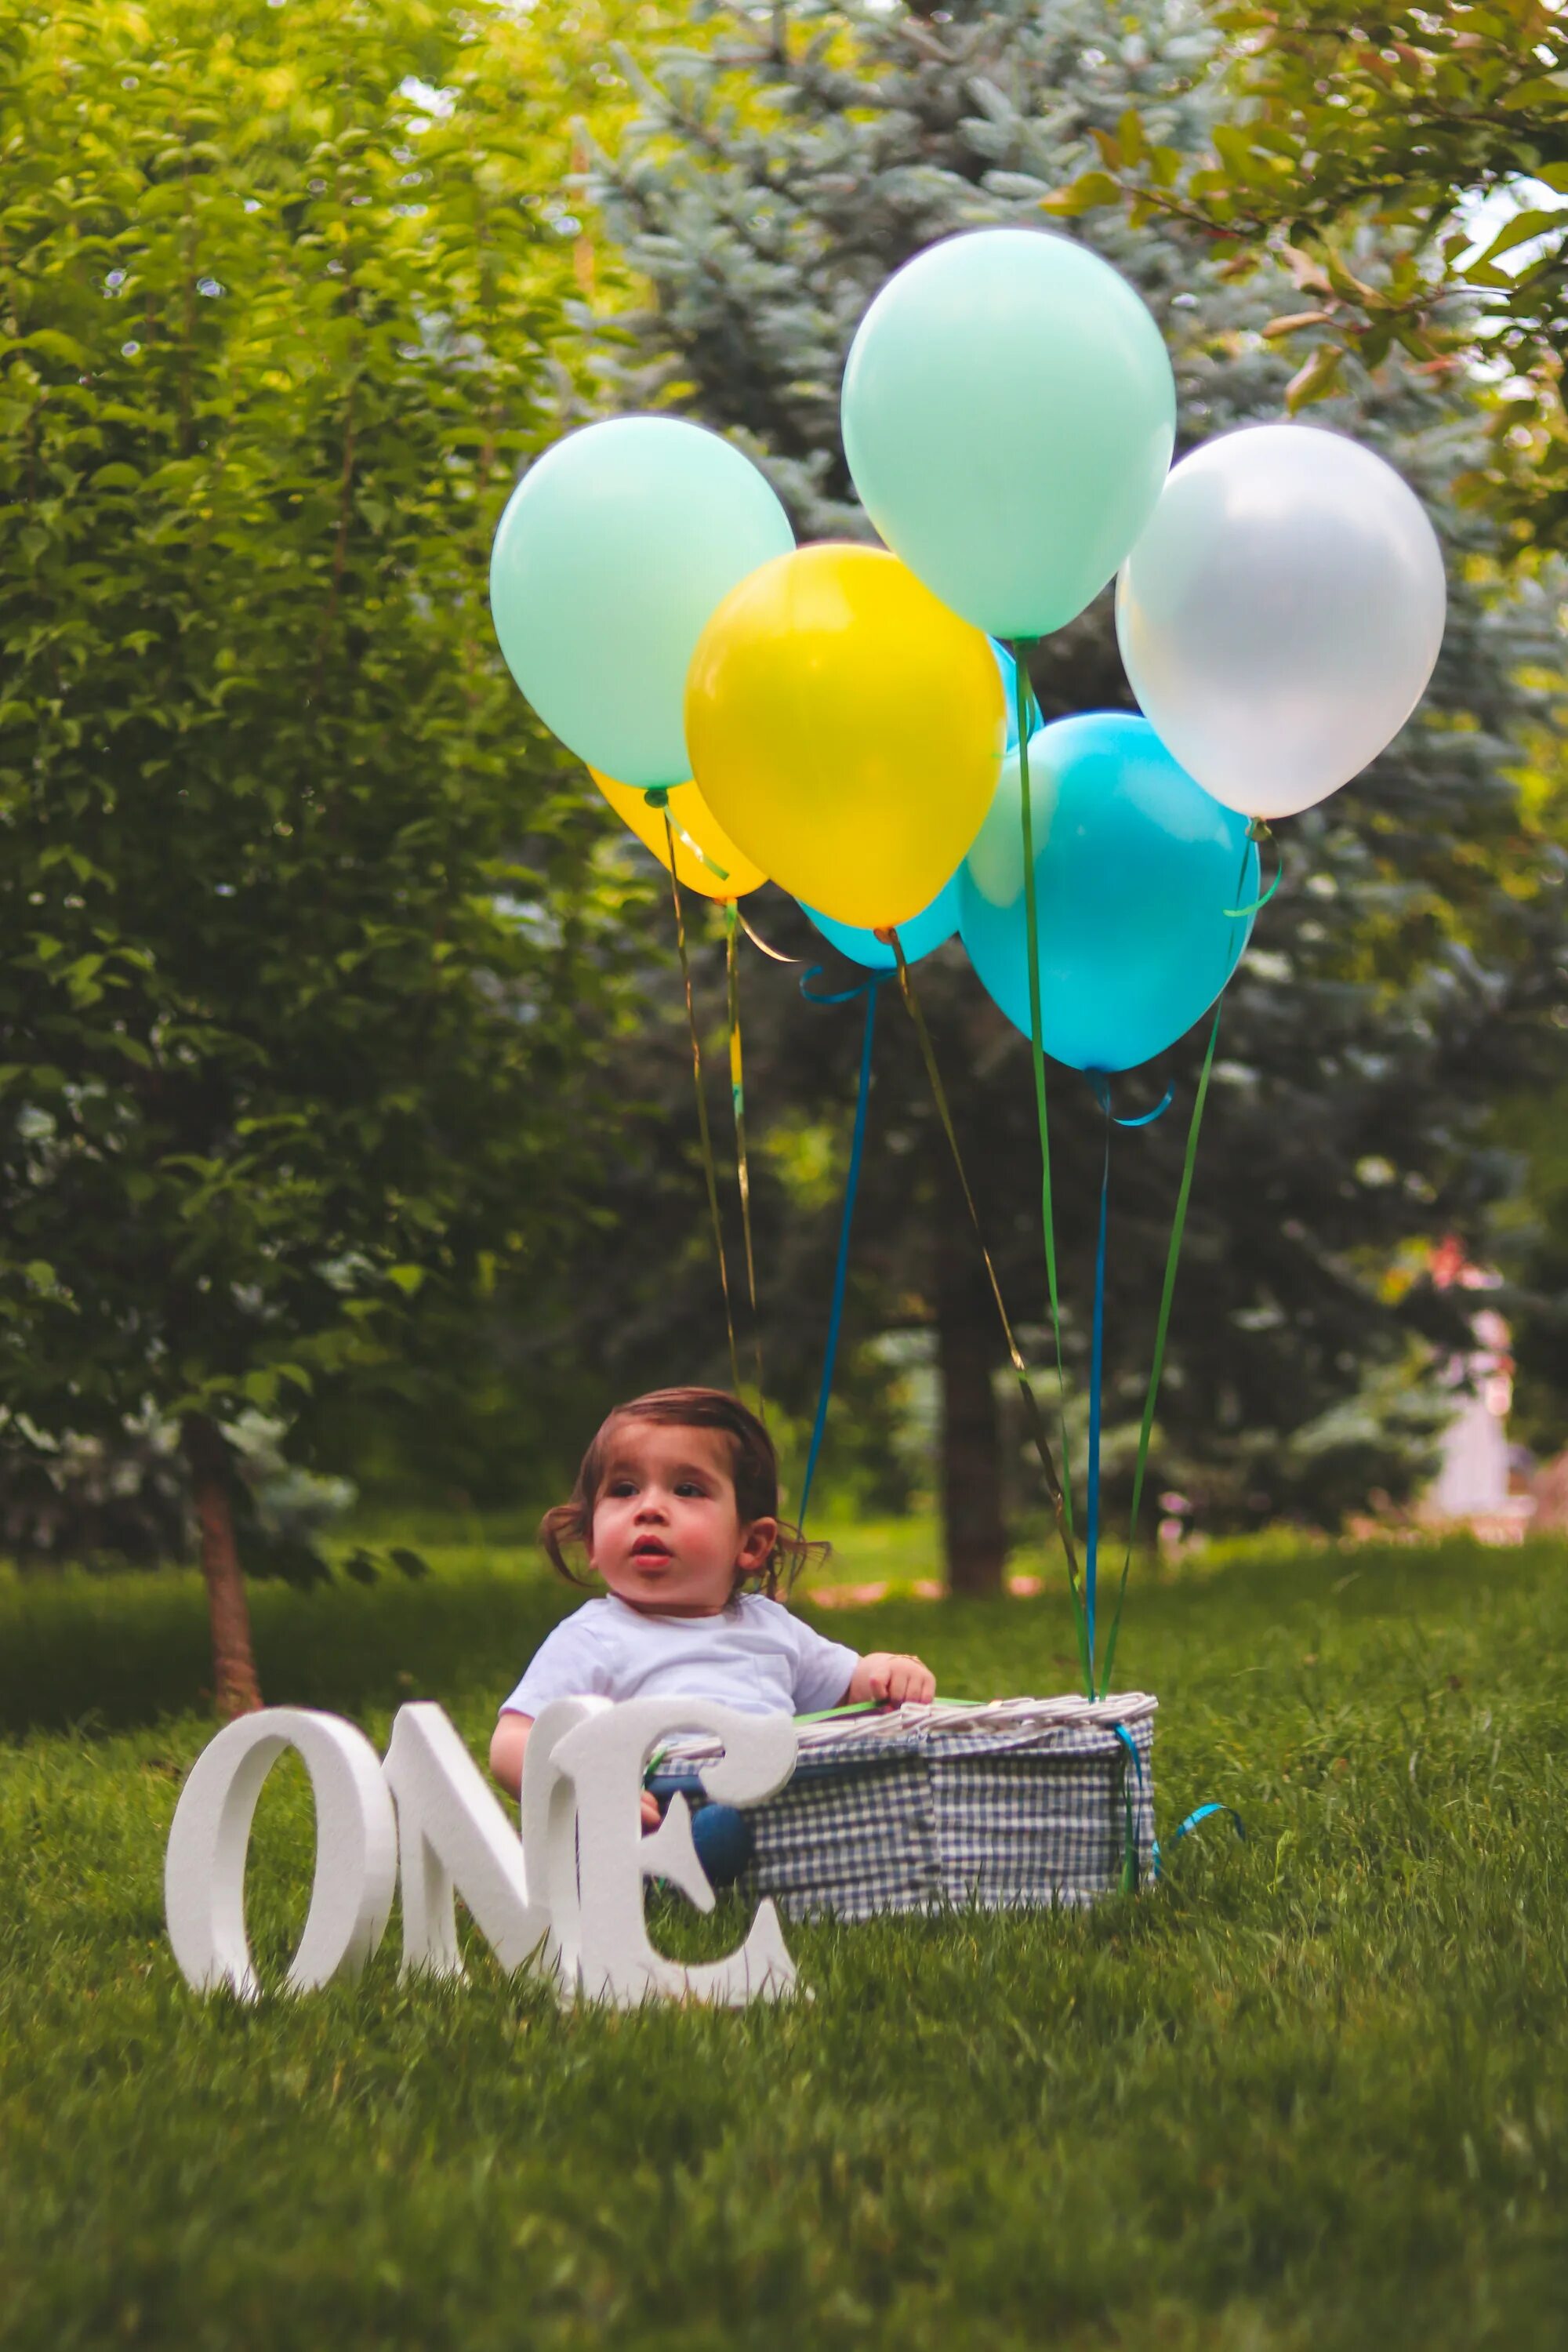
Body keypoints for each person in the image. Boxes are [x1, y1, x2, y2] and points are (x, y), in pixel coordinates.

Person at [489, 1386, 936, 1820]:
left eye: (686, 1490)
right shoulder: (594, 1639)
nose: (649, 1509)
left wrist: (885, 1670)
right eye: (625, 1489)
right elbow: (514, 1742)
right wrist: (587, 1790)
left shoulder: (769, 1626)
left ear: (751, 1543)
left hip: (775, 1820)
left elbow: (850, 1689)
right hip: (647, 1833)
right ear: (591, 1539)